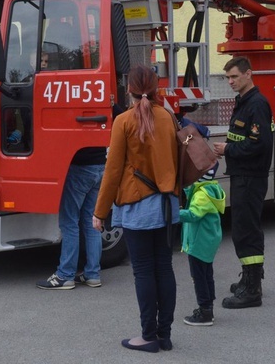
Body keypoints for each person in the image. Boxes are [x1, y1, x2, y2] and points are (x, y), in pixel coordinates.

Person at [92, 64, 180, 353]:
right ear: (156, 88)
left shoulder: (123, 121)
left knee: (143, 271)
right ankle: (164, 335)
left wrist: (100, 212)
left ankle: (148, 335)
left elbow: (112, 170)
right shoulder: (168, 117)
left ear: (127, 89)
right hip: (167, 204)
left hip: (137, 206)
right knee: (164, 268)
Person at [212, 56, 274, 309]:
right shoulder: (243, 102)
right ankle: (251, 279)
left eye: (235, 76)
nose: (230, 82)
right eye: (228, 77)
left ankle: (251, 290)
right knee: (243, 228)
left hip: (250, 176)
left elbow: (260, 144)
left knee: (245, 231)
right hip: (242, 175)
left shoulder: (257, 104)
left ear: (249, 74)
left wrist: (228, 149)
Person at [36, 146, 107, 290]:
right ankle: (92, 274)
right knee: (91, 222)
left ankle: (65, 275)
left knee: (69, 222)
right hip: (100, 165)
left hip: (80, 167)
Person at [180, 162, 226, 326]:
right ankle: (208, 308)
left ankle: (205, 311)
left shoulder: (202, 195)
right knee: (207, 275)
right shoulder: (210, 188)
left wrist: (174, 213)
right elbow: (190, 191)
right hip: (207, 242)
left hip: (199, 243)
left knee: (198, 277)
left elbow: (193, 214)